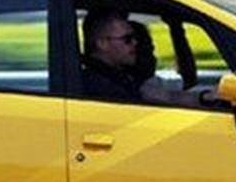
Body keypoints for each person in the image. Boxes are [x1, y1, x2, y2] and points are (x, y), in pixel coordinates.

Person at [81, 9, 218, 108]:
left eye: (135, 38)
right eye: (127, 39)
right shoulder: (99, 86)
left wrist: (205, 97)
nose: (135, 43)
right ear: (102, 44)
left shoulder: (121, 77)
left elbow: (166, 96)